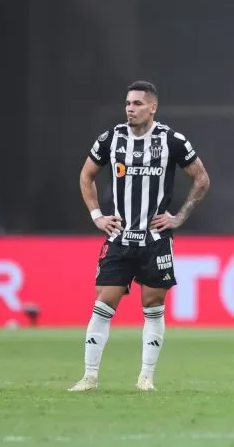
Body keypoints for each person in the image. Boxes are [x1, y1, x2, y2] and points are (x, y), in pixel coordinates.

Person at [69, 80, 211, 392]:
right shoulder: (112, 138)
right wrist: (96, 216)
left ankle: (146, 378)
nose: (130, 109)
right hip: (119, 236)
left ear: (152, 107)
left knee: (153, 305)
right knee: (104, 301)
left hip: (155, 239)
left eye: (136, 104)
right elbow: (86, 175)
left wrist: (179, 216)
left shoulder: (172, 140)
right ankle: (89, 376)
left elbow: (201, 178)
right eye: (128, 104)